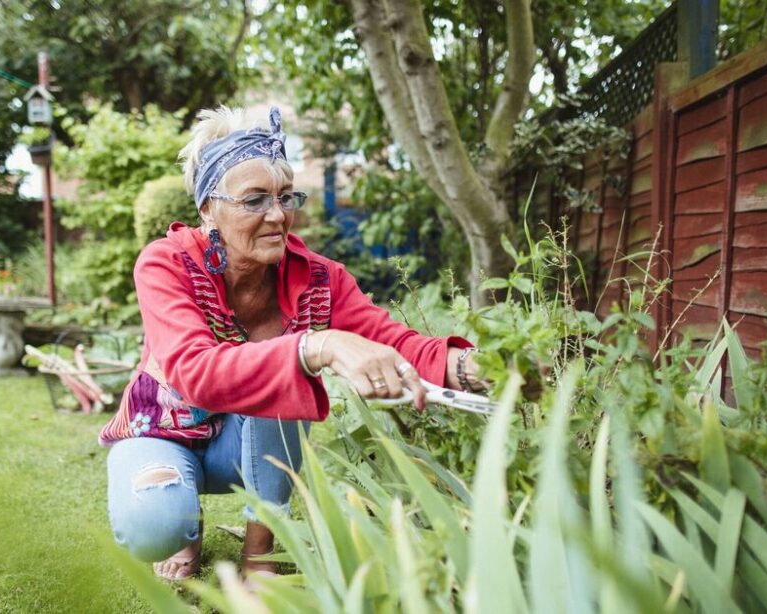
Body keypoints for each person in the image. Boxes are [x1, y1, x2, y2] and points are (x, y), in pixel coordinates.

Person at [99, 106, 485, 581]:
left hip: (241, 449)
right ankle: (184, 525)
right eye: (255, 200)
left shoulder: (320, 278)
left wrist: (472, 366)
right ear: (207, 209)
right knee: (157, 526)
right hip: (160, 432)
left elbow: (392, 341)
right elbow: (195, 371)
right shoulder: (167, 264)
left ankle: (259, 558)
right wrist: (316, 346)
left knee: (282, 387)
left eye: (285, 197)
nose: (278, 215)